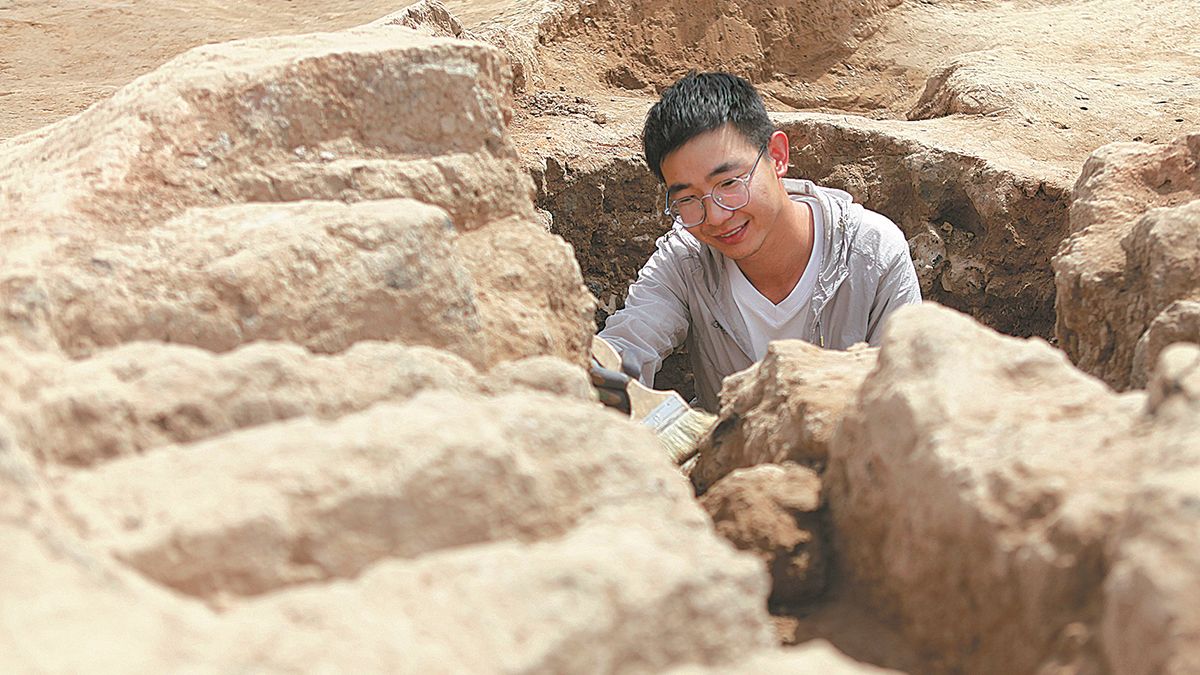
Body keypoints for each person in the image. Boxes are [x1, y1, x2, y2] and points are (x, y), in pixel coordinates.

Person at [596, 71, 921, 413]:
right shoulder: (687, 259)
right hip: (725, 462)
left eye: (729, 183)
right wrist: (602, 369)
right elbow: (631, 339)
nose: (717, 216)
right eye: (688, 199)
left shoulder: (871, 253)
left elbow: (908, 397)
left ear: (777, 155)